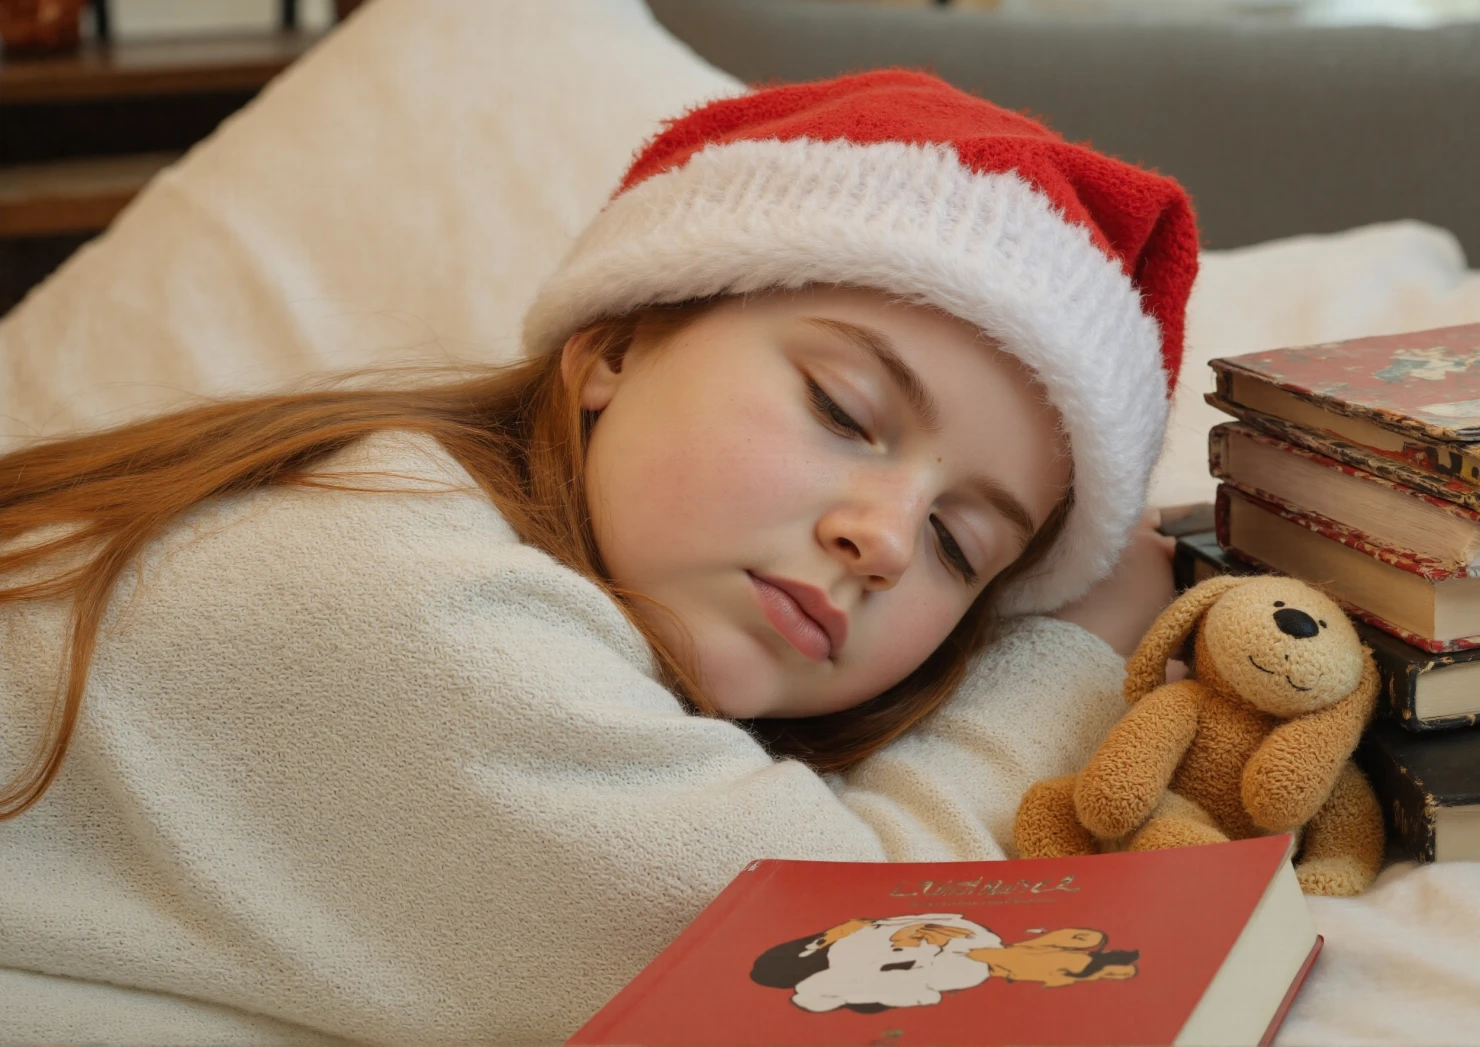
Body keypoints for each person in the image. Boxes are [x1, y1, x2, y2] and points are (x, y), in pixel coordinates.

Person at [0, 71, 1197, 1044]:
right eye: (841, 409)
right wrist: (1068, 657)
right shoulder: (404, 595)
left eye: (959, 544)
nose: (882, 539)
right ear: (612, 348)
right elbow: (842, 955)